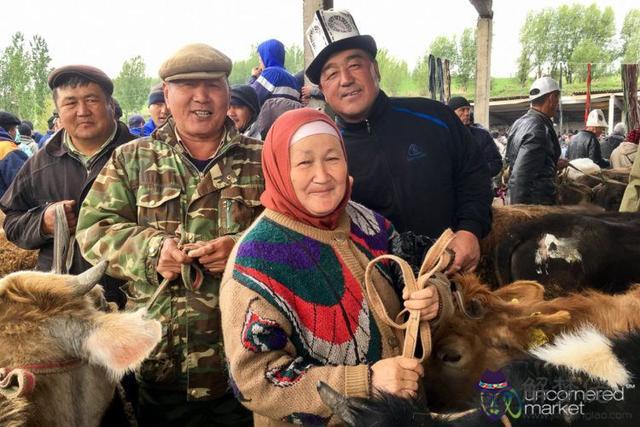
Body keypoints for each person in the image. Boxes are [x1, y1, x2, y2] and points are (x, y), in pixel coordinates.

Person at [76, 43, 264, 426]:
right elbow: (94, 229)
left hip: (249, 362)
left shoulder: (263, 159)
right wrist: (152, 251)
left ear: (228, 91)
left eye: (212, 84)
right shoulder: (133, 159)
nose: (201, 97)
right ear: (166, 92)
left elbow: (296, 234)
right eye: (186, 85)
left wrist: (242, 250)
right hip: (162, 367)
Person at [220, 108, 437, 425]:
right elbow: (255, 382)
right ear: (280, 168)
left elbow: (421, 273)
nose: (322, 176)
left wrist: (434, 298)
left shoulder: (371, 224)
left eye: (333, 158)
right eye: (305, 162)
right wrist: (366, 383)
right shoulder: (258, 257)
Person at [305, 9, 492, 274]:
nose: (345, 80)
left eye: (355, 64)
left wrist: (470, 230)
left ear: (375, 68)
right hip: (378, 293)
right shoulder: (326, 152)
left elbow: (474, 175)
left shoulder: (434, 117)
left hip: (456, 271)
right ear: (322, 89)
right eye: (331, 74)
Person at [0, 65, 135, 307]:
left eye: (92, 99)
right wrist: (43, 223)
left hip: (129, 297)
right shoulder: (41, 162)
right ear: (59, 112)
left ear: (110, 105)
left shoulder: (142, 156)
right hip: (61, 302)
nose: (82, 111)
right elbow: (12, 222)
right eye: (70, 103)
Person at [505, 76, 562, 205]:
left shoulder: (519, 122)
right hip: (535, 206)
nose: (558, 104)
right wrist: (518, 214)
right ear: (552, 98)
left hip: (523, 201)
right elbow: (521, 176)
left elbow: (514, 162)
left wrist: (551, 164)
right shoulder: (538, 128)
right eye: (557, 98)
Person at [448, 96, 503, 178]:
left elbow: (496, 163)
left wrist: (477, 173)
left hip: (478, 188)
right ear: (451, 113)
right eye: (462, 110)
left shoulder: (482, 136)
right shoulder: (444, 136)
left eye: (468, 110)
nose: (467, 113)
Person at [249, 38, 300, 106]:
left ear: (266, 56)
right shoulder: (293, 79)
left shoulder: (272, 73)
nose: (259, 62)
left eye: (260, 57)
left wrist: (254, 77)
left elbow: (249, 97)